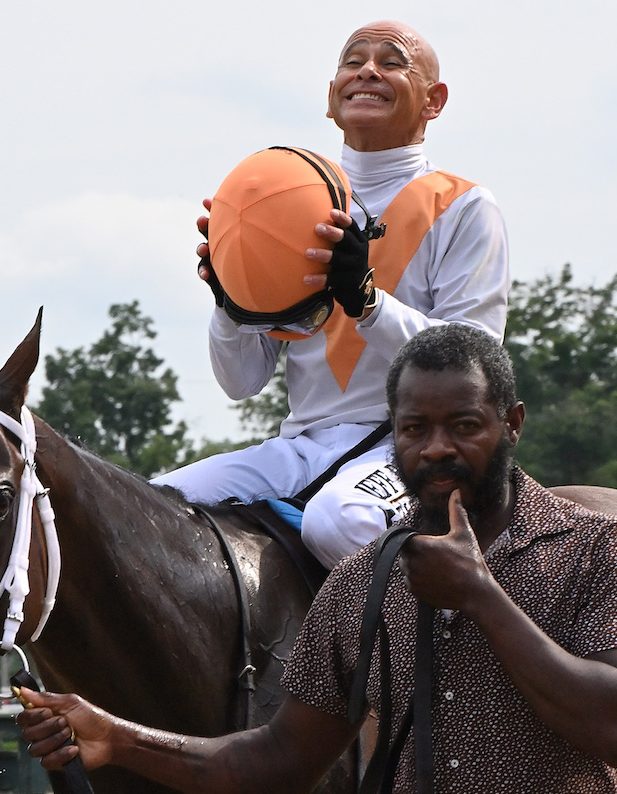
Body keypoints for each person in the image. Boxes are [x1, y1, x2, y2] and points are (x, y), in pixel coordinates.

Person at [20, 324, 617, 794]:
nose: (437, 448)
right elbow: (277, 767)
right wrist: (119, 737)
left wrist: (480, 596)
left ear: (512, 423)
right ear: (393, 437)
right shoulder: (361, 585)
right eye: (414, 429)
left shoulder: (599, 549)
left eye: (465, 425)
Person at [153, 21, 511, 568]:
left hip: (410, 446)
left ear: (434, 101)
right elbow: (241, 381)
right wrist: (229, 301)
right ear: (330, 97)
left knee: (339, 521)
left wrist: (367, 303)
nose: (367, 71)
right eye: (352, 61)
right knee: (155, 508)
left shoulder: (464, 206)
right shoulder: (288, 198)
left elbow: (475, 369)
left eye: (391, 62)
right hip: (302, 445)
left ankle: (458, 644)